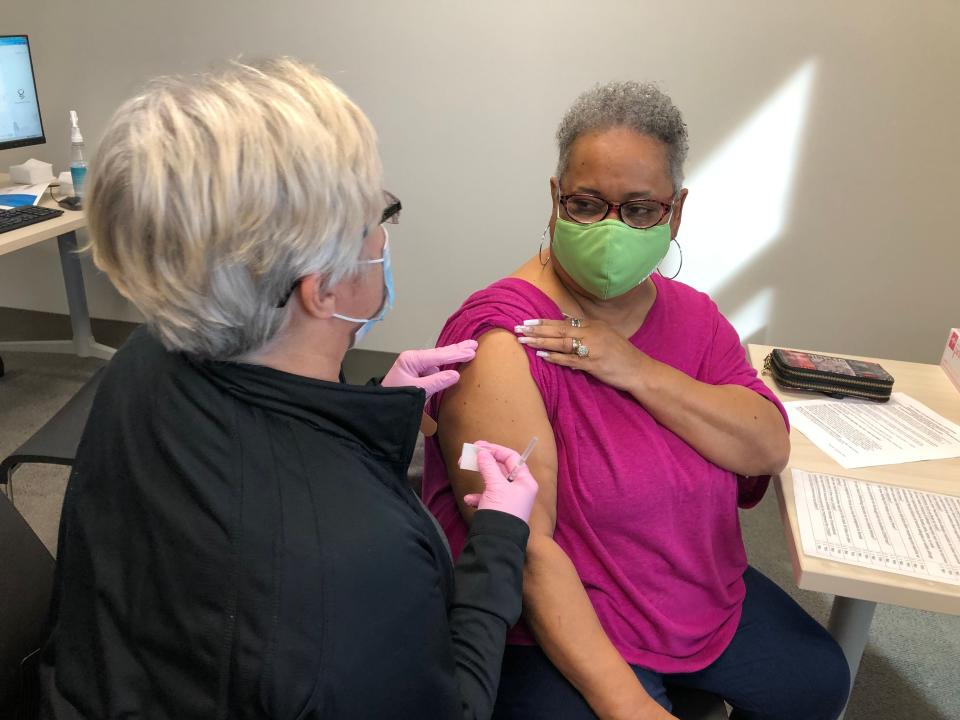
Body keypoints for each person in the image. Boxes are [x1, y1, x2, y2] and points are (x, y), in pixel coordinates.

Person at [38, 58, 538, 719]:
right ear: (324, 287)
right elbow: (457, 706)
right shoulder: (361, 571)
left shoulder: (145, 357)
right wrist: (500, 537)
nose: (385, 234)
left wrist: (356, 419)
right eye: (379, 213)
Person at [421, 82, 851, 720]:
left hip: (692, 588)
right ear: (554, 198)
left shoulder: (694, 319)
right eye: (588, 204)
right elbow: (523, 547)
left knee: (817, 681)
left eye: (640, 210)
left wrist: (638, 370)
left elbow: (765, 445)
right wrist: (628, 704)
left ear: (675, 213)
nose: (610, 229)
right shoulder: (504, 337)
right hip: (552, 620)